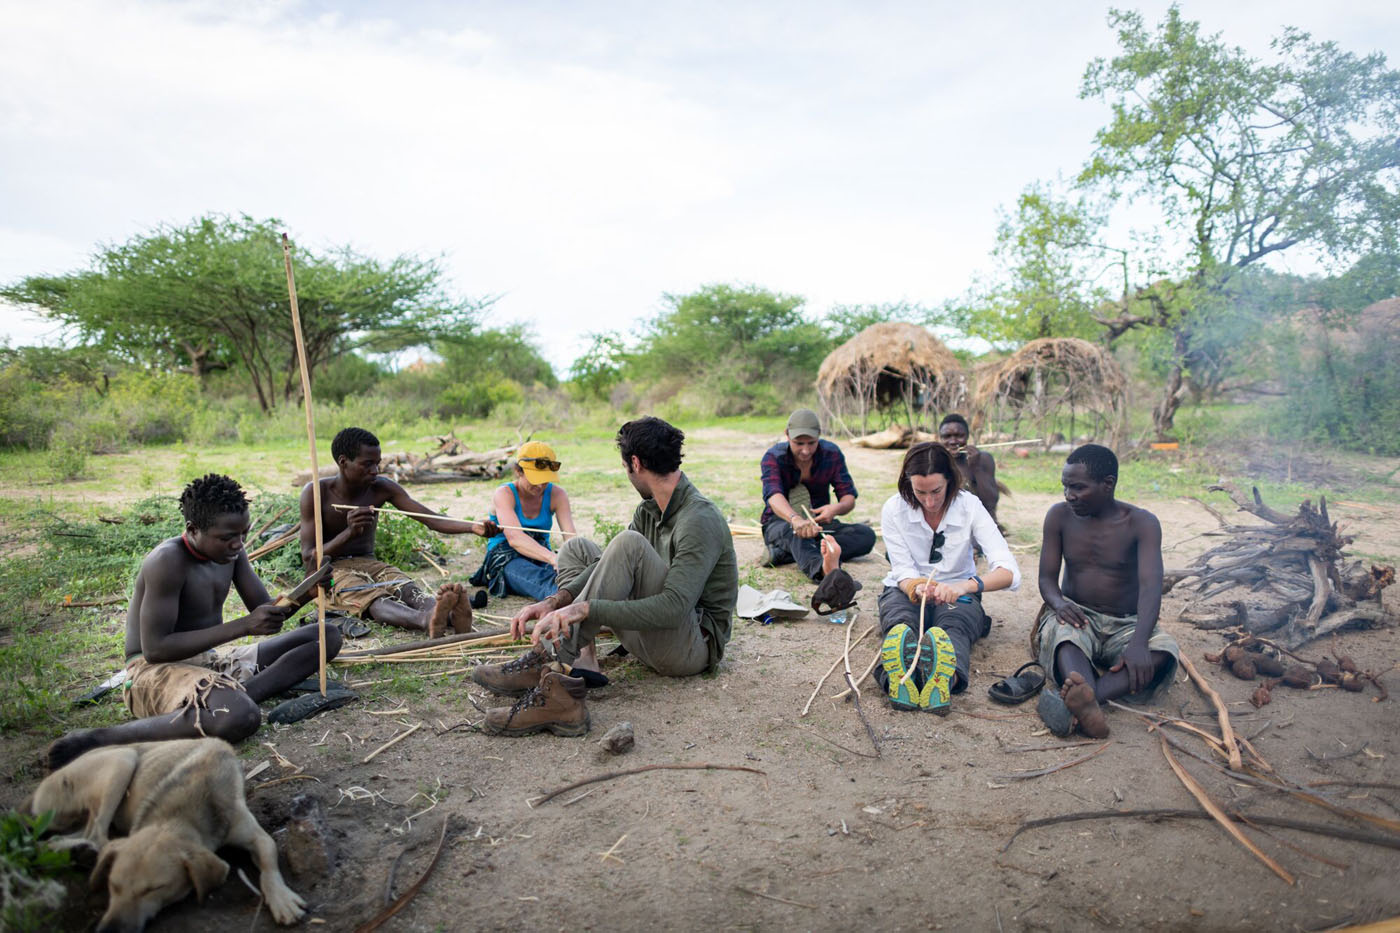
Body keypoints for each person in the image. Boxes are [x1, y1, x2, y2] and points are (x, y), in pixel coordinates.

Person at [44, 474, 345, 771]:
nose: (238, 544)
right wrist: (243, 626)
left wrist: (307, 593)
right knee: (242, 717)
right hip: (153, 672)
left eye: (243, 533)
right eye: (227, 537)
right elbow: (156, 650)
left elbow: (265, 612)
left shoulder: (232, 554)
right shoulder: (167, 561)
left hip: (208, 664)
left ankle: (230, 695)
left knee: (326, 636)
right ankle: (100, 740)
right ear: (193, 529)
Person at [471, 416, 739, 737]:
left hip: (688, 649)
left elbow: (674, 608)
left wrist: (586, 609)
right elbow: (599, 567)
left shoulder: (698, 517)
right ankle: (568, 667)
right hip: (649, 635)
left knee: (627, 544)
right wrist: (555, 601)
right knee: (577, 549)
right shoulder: (649, 509)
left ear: (635, 463)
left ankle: (550, 665)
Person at [1034, 444, 1179, 738]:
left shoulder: (1142, 523)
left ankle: (1085, 700)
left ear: (1107, 484)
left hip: (1125, 621)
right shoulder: (1059, 517)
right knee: (1063, 637)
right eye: (1065, 487)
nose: (1068, 495)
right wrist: (1059, 605)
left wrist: (1138, 642)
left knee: (1164, 651)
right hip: (1076, 614)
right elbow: (1046, 579)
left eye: (1078, 487)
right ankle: (1088, 701)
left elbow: (1151, 588)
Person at [304, 427, 497, 637]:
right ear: (343, 462)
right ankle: (425, 620)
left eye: (377, 464)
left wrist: (472, 527)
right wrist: (349, 533)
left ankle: (449, 615)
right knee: (374, 598)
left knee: (406, 588)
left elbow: (432, 519)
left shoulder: (381, 487)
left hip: (370, 563)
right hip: (331, 572)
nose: (375, 471)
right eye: (367, 464)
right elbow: (310, 557)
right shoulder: (316, 494)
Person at [876, 442, 1020, 713]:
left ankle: (944, 678)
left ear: (951, 481)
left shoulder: (970, 507)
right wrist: (917, 588)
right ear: (908, 483)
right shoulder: (894, 509)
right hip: (906, 589)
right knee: (899, 623)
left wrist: (963, 587)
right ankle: (897, 679)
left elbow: (1009, 572)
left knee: (954, 627)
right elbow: (902, 570)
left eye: (936, 491)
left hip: (960, 592)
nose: (929, 502)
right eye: (920, 492)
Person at [759, 408, 876, 580]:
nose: (806, 450)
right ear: (787, 435)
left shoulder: (832, 454)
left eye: (811, 443)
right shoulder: (773, 457)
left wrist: (835, 509)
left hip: (819, 524)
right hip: (782, 523)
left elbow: (848, 498)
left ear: (819, 435)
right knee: (798, 535)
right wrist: (795, 519)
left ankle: (783, 554)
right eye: (799, 443)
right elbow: (773, 496)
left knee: (865, 535)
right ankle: (824, 571)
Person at [469, 441, 578, 601]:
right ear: (518, 471)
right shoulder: (505, 494)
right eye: (535, 479)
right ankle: (567, 598)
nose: (541, 485)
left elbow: (570, 537)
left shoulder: (557, 494)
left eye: (545, 479)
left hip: (539, 554)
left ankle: (579, 592)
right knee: (540, 579)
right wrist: (553, 559)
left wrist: (575, 561)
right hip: (507, 558)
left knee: (570, 575)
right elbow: (516, 539)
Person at [938, 413, 1002, 523]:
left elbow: (991, 502)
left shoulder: (983, 459)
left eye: (959, 436)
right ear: (940, 438)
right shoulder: (935, 461)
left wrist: (976, 468)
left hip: (979, 523)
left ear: (967, 436)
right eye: (947, 437)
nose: (953, 442)